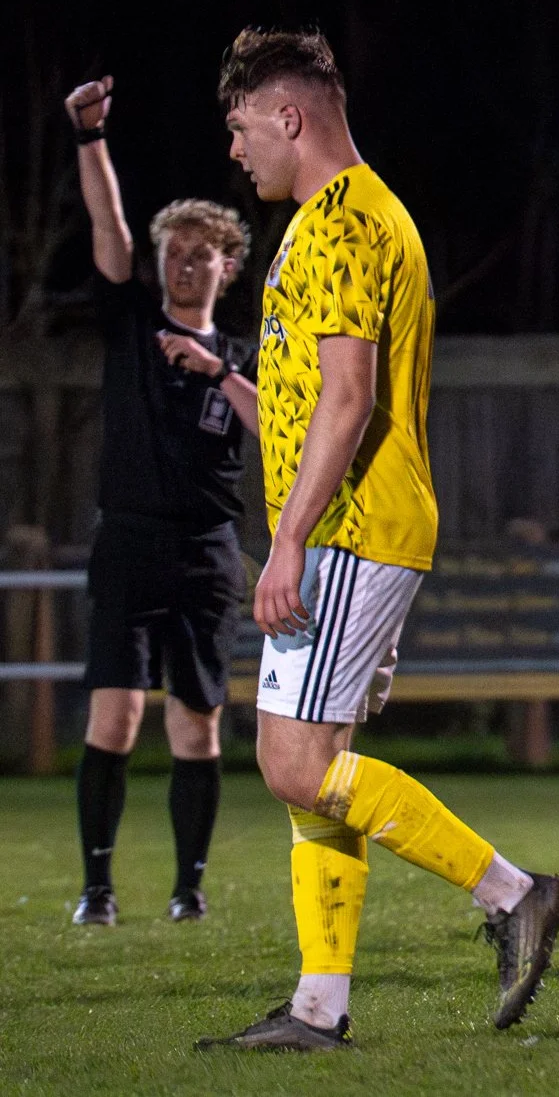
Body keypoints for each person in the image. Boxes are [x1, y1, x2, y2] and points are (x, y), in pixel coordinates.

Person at [197, 29, 559, 1053]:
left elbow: (349, 399)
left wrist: (288, 545)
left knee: (294, 764)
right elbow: (308, 391)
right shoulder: (330, 220)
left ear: (289, 115)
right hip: (343, 530)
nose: (235, 152)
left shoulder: (347, 221)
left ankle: (512, 895)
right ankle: (320, 1006)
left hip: (352, 530)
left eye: (239, 128)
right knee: (312, 766)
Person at [63, 76, 256, 929]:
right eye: (172, 249)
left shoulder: (246, 351)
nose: (183, 261)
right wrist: (90, 136)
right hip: (129, 540)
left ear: (227, 263)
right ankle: (97, 888)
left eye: (199, 250)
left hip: (208, 551)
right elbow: (107, 224)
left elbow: (276, 422)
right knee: (112, 714)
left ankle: (189, 886)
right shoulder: (133, 325)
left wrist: (217, 368)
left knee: (198, 727)